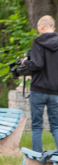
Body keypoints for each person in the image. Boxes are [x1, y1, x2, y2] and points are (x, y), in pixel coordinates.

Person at [21, 15, 58, 153]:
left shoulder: (38, 42)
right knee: (56, 126)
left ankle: (37, 157)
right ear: (53, 28)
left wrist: (26, 63)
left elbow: (37, 64)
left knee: (37, 126)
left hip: (38, 90)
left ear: (41, 27)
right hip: (55, 91)